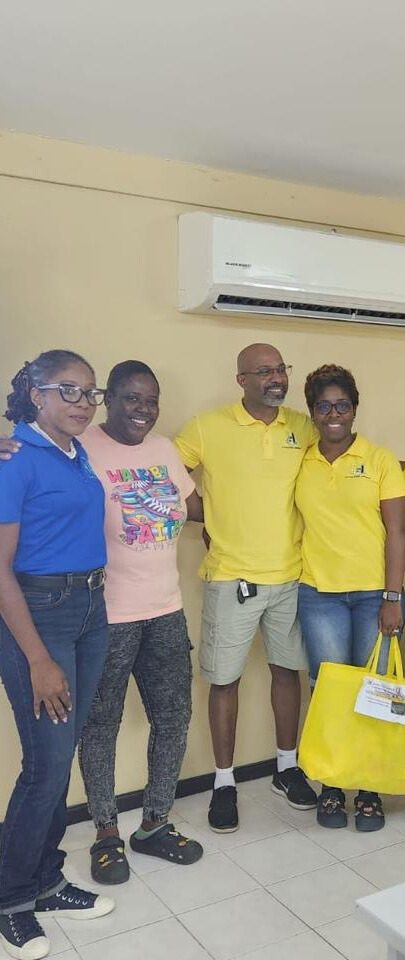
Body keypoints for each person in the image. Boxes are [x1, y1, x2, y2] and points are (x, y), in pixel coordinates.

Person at [175, 343, 317, 835]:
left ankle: (285, 767)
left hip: (293, 576)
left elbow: (345, 462)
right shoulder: (206, 426)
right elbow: (160, 471)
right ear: (241, 379)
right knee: (224, 680)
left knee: (287, 673)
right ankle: (224, 782)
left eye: (281, 368)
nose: (276, 377)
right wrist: (203, 514)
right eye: (264, 371)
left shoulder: (304, 425)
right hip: (231, 577)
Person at [0, 352, 114, 960]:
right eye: (67, 390)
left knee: (61, 751)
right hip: (38, 619)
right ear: (35, 394)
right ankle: (12, 899)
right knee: (45, 765)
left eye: (89, 393)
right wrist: (39, 659)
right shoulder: (14, 460)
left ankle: (46, 879)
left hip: (89, 612)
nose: (81, 402)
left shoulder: (76, 451)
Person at [76, 361, 205, 882]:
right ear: (108, 399)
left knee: (173, 719)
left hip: (166, 611)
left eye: (150, 400)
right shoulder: (81, 447)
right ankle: (106, 834)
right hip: (106, 617)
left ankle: (154, 824)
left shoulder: (165, 449)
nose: (142, 410)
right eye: (131, 398)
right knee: (100, 726)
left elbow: (194, 507)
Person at [295, 364, 405, 833]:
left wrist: (392, 596)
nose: (334, 413)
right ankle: (332, 786)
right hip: (319, 592)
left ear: (355, 409)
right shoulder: (301, 460)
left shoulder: (380, 460)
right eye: (324, 406)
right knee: (328, 694)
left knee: (372, 692)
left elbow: (398, 533)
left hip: (372, 596)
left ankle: (368, 790)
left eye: (342, 405)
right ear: (313, 412)